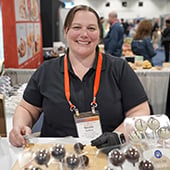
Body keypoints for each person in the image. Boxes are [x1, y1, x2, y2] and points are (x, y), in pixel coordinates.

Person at [9, 5, 150, 147]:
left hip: (108, 155)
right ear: (65, 31)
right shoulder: (46, 71)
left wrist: (118, 135)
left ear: (99, 34)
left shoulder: (119, 69)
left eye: (91, 28)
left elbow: (140, 111)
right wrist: (19, 126)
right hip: (55, 158)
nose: (84, 34)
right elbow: (27, 108)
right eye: (77, 27)